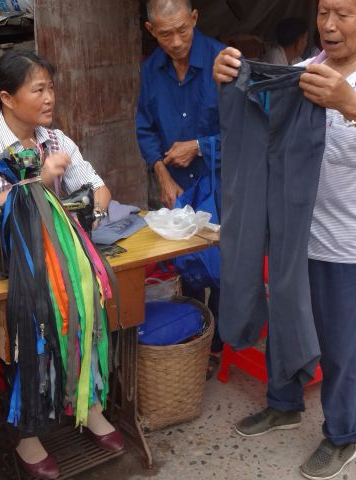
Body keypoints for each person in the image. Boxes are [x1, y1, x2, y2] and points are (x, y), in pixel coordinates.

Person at [213, 0, 356, 479]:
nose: (328, 24)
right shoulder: (303, 71)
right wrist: (229, 75)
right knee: (286, 323)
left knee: (344, 348)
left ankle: (342, 436)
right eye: (324, 11)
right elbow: (256, 114)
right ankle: (283, 405)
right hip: (292, 237)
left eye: (343, 14)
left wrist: (350, 103)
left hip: (348, 243)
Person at [0, 50, 122, 480]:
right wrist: (39, 181)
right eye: (39, 89)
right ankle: (27, 428)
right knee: (30, 329)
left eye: (51, 87)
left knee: (90, 307)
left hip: (62, 263)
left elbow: (97, 187)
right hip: (11, 272)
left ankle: (90, 404)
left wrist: (90, 210)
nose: (50, 98)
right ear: (8, 97)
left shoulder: (56, 139)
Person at [136, 0, 224, 375]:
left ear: (194, 19)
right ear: (150, 30)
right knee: (187, 267)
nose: (175, 41)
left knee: (220, 266)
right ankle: (194, 337)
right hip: (178, 187)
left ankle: (219, 343)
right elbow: (145, 128)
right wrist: (162, 174)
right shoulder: (150, 70)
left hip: (220, 182)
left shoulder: (223, 61)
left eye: (182, 30)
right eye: (165, 34)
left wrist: (201, 146)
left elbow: (251, 132)